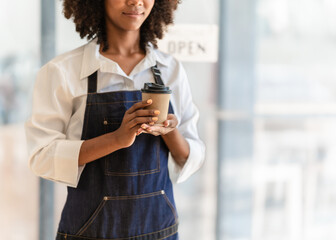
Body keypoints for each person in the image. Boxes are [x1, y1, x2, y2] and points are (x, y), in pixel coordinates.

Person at [25, 0, 205, 239]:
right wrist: (117, 139)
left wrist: (169, 131)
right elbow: (42, 156)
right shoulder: (62, 72)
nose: (136, 2)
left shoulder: (171, 69)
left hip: (160, 230)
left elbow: (191, 155)